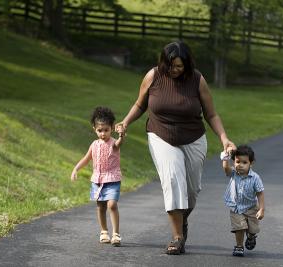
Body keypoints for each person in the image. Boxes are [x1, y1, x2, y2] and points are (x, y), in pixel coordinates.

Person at [115, 41, 236, 255]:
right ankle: (177, 236)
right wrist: (125, 122)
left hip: (193, 137)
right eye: (171, 65)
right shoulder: (153, 76)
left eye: (179, 66)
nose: (174, 70)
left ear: (187, 64)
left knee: (192, 190)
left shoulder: (197, 80)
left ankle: (181, 220)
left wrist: (224, 139)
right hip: (160, 135)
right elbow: (140, 104)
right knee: (172, 181)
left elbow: (211, 114)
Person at [71, 106, 125, 246]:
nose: (103, 134)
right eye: (99, 130)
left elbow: (119, 144)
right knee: (100, 206)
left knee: (112, 204)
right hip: (98, 180)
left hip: (112, 178)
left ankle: (116, 234)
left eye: (106, 130)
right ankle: (104, 232)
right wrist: (76, 169)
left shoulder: (113, 143)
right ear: (94, 129)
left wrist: (121, 135)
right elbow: (86, 158)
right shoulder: (94, 144)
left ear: (112, 128)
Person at [220, 145, 265, 257]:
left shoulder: (255, 178)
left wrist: (261, 209)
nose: (240, 165)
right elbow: (226, 169)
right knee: (239, 227)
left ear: (251, 163)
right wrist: (225, 158)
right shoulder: (234, 173)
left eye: (244, 162)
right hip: (236, 207)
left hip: (251, 207)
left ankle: (251, 236)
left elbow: (260, 193)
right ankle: (239, 246)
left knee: (252, 229)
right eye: (237, 161)